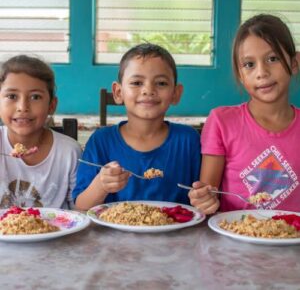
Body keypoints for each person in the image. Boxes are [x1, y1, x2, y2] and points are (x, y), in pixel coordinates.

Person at [189, 14, 300, 214]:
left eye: (272, 59)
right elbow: (209, 193)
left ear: (294, 63)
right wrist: (204, 199)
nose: (262, 72)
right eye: (249, 64)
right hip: (233, 239)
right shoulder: (222, 121)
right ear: (240, 74)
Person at [73, 43, 201, 210]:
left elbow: (203, 194)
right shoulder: (101, 141)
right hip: (114, 234)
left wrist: (205, 198)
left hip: (176, 233)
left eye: (161, 83)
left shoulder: (188, 140)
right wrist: (101, 186)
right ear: (118, 92)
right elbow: (81, 207)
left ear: (175, 94)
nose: (148, 90)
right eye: (137, 82)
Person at [0, 55, 81, 209]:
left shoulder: (69, 152)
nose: (23, 107)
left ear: (51, 105)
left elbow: (79, 212)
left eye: (35, 97)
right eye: (12, 96)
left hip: (57, 231)